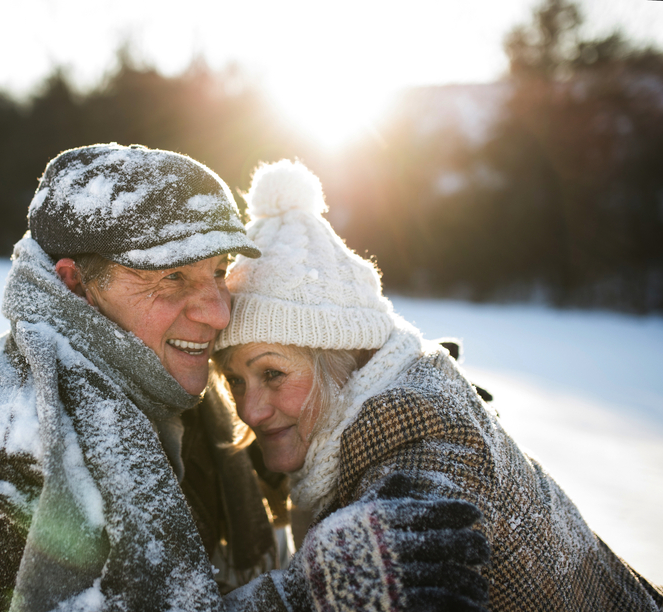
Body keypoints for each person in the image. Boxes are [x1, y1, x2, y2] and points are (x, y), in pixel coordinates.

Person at [214, 160, 663, 611]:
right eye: (235, 380)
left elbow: (400, 557)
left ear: (345, 361)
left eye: (272, 374)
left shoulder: (421, 440)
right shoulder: (396, 391)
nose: (250, 411)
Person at [0, 144, 280, 612]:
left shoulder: (198, 407)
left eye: (219, 271)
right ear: (74, 283)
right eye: (172, 277)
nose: (218, 312)